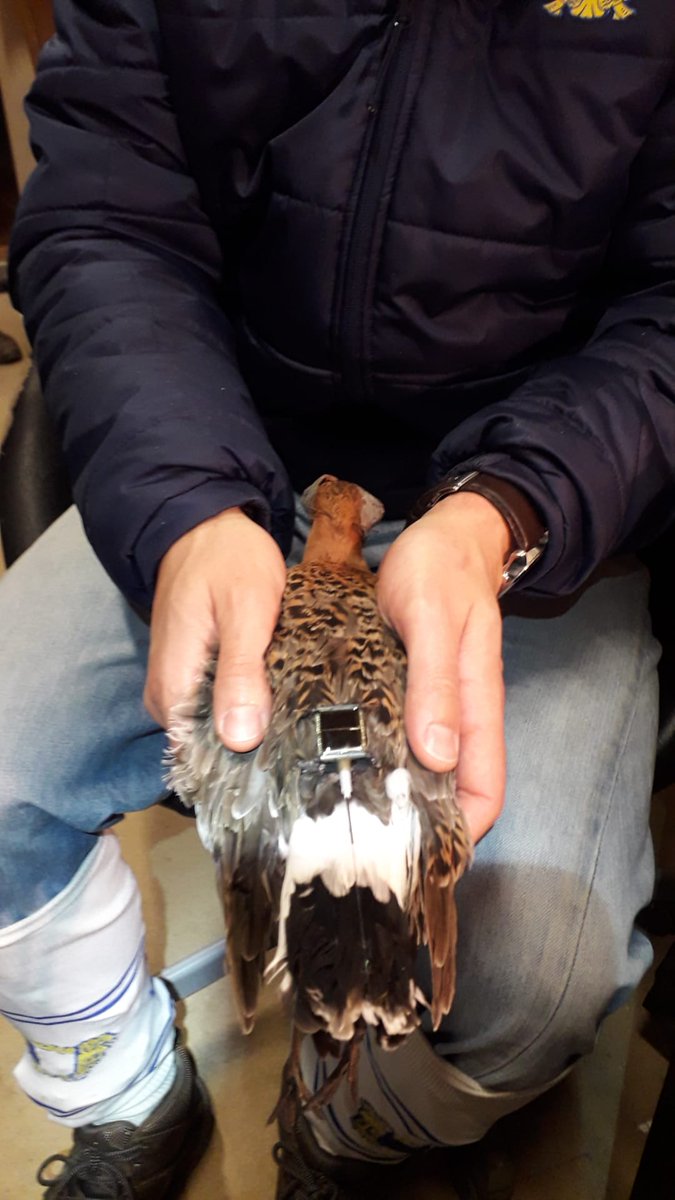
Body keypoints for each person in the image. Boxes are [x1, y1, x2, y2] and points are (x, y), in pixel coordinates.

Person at [1, 1, 674, 1197]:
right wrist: (188, 501)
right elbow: (108, 210)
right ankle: (125, 1088)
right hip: (225, 449)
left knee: (539, 973)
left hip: (535, 501)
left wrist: (511, 505)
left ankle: (348, 1127)